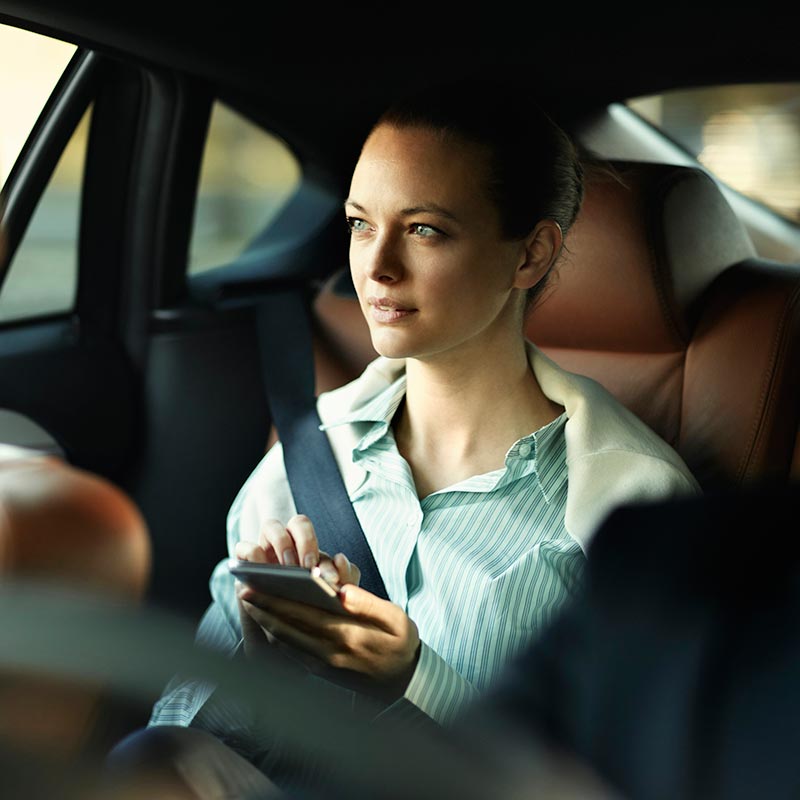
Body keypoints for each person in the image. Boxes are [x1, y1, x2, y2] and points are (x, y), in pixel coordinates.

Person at [109, 77, 700, 796]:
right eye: (361, 223)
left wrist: (414, 683)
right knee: (155, 758)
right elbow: (184, 729)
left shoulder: (632, 508)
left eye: (424, 229)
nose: (377, 265)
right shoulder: (304, 460)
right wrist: (261, 670)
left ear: (531, 255)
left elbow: (625, 780)